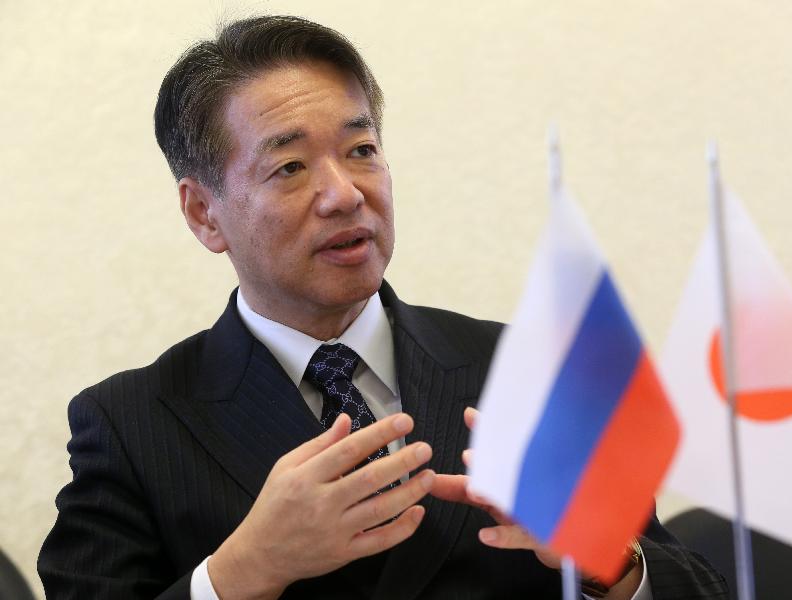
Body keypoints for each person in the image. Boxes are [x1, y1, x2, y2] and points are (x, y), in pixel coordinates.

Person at [38, 15, 728, 600]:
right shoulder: (130, 424)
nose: (344, 193)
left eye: (361, 150)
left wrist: (610, 563)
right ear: (203, 213)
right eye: (290, 166)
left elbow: (695, 585)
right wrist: (242, 571)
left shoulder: (523, 367)